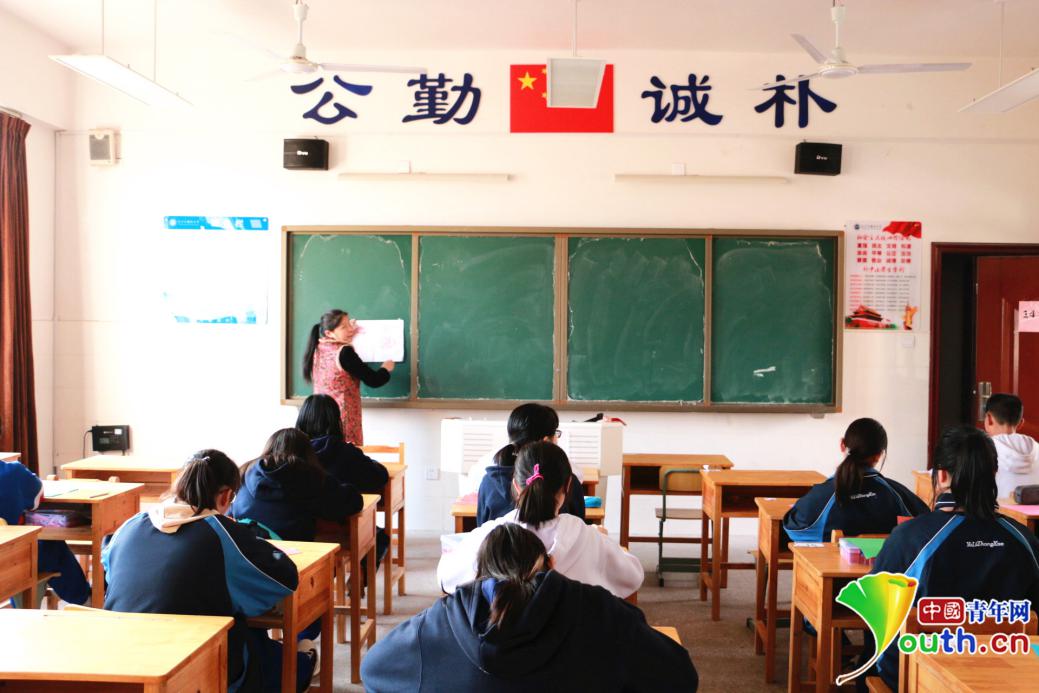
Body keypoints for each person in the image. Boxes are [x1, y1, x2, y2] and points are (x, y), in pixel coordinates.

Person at [364, 523, 698, 692]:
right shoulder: (598, 611)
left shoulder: (440, 623)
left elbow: (374, 670)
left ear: (480, 573)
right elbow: (679, 678)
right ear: (550, 563)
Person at [102, 451, 316, 692]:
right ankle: (304, 663)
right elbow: (284, 577)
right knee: (272, 657)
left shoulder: (130, 525)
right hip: (193, 661)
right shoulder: (222, 533)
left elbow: (108, 569)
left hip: (122, 658)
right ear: (226, 496)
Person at [868, 426, 1039, 690]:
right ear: (994, 473)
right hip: (1010, 679)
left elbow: (875, 616)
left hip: (920, 679)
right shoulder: (1024, 539)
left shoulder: (910, 538)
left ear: (942, 475)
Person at [438, 441, 643, 598]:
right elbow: (633, 576)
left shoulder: (492, 534)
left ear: (515, 486)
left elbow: (445, 577)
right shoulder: (586, 536)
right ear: (568, 485)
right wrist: (605, 541)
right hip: (571, 640)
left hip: (506, 639)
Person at [783, 418, 928, 542]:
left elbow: (794, 529)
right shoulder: (897, 494)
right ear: (879, 455)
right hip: (886, 566)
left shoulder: (823, 495)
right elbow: (926, 526)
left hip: (833, 566)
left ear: (842, 445)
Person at [295, 394, 390, 562]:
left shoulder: (292, 452)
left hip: (302, 530)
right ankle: (358, 578)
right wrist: (369, 461)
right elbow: (379, 477)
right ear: (336, 421)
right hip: (342, 528)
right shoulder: (344, 451)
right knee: (379, 537)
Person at [229, 428, 362, 542]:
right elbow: (352, 503)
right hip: (294, 553)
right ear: (308, 453)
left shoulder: (245, 471)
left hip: (245, 546)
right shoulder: (308, 476)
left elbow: (232, 512)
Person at [476, 403, 585, 525]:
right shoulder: (567, 479)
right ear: (546, 441)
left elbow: (482, 527)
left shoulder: (489, 481)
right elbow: (579, 526)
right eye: (555, 433)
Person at [0, 460, 90, 606]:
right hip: (9, 564)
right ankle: (83, 600)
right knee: (50, 544)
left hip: (6, 561)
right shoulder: (13, 472)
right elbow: (37, 499)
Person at [302, 308, 395, 446]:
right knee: (346, 455)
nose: (350, 329)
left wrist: (349, 333)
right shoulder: (345, 353)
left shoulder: (317, 347)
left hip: (319, 418)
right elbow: (374, 380)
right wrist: (386, 368)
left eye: (349, 324)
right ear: (329, 333)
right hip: (342, 419)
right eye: (344, 327)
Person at [982, 393, 1039, 499]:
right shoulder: (1036, 447)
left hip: (996, 509)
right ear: (1021, 423)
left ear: (989, 418)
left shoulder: (982, 449)